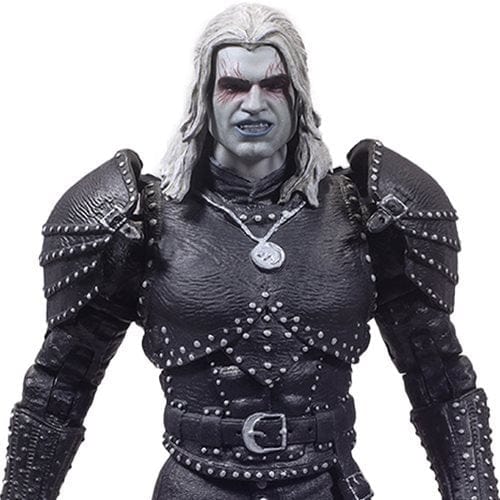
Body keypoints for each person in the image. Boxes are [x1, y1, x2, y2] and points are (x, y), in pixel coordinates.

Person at [1, 4, 498, 499]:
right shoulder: (138, 217)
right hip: (194, 488)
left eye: (274, 85)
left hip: (324, 485)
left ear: (298, 95)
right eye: (234, 86)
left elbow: (439, 376)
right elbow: (60, 385)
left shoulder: (366, 210)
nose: (254, 104)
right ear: (204, 96)